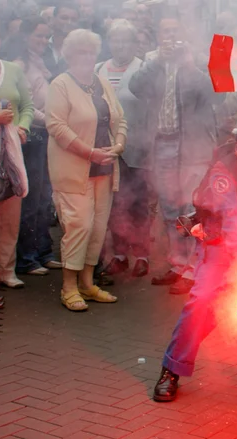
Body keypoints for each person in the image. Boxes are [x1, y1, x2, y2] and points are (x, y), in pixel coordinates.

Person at [153, 114, 237, 402]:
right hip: (222, 243)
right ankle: (172, 367)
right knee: (202, 300)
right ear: (235, 148)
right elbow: (232, 223)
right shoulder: (221, 173)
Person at [129, 17, 219, 295]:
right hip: (162, 146)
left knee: (191, 211)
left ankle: (195, 270)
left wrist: (189, 65)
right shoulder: (151, 62)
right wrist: (157, 62)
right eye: (166, 31)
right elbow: (135, 87)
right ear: (159, 36)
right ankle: (178, 265)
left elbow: (213, 95)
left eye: (175, 31)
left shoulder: (198, 61)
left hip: (193, 148)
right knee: (169, 210)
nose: (171, 37)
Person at [46, 29, 127, 312]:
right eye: (81, 52)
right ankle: (68, 287)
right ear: (69, 56)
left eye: (91, 52)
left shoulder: (101, 83)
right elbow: (56, 127)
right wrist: (89, 152)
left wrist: (118, 145)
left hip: (104, 168)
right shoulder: (60, 85)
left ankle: (88, 283)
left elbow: (119, 119)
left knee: (97, 227)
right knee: (78, 226)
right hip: (73, 171)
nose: (87, 57)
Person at [6, 16, 60, 278]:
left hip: (46, 136)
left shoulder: (42, 61)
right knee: (31, 199)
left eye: (46, 36)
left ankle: (42, 252)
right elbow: (25, 105)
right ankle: (27, 258)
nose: (43, 41)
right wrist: (53, 120)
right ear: (26, 36)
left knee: (44, 198)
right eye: (39, 36)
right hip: (31, 138)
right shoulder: (19, 65)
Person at [98, 19, 152, 279]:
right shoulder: (99, 69)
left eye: (125, 40)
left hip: (138, 148)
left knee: (139, 204)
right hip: (106, 149)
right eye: (115, 39)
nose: (120, 45)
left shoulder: (144, 69)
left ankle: (142, 254)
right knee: (116, 204)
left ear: (134, 43)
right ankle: (119, 254)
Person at [0, 20, 34, 289]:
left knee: (9, 215)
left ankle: (6, 271)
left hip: (11, 156)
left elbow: (29, 106)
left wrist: (23, 125)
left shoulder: (13, 70)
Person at [43, 2, 78, 78]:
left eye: (73, 19)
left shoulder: (82, 50)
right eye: (64, 18)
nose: (69, 22)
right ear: (53, 19)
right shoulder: (42, 45)